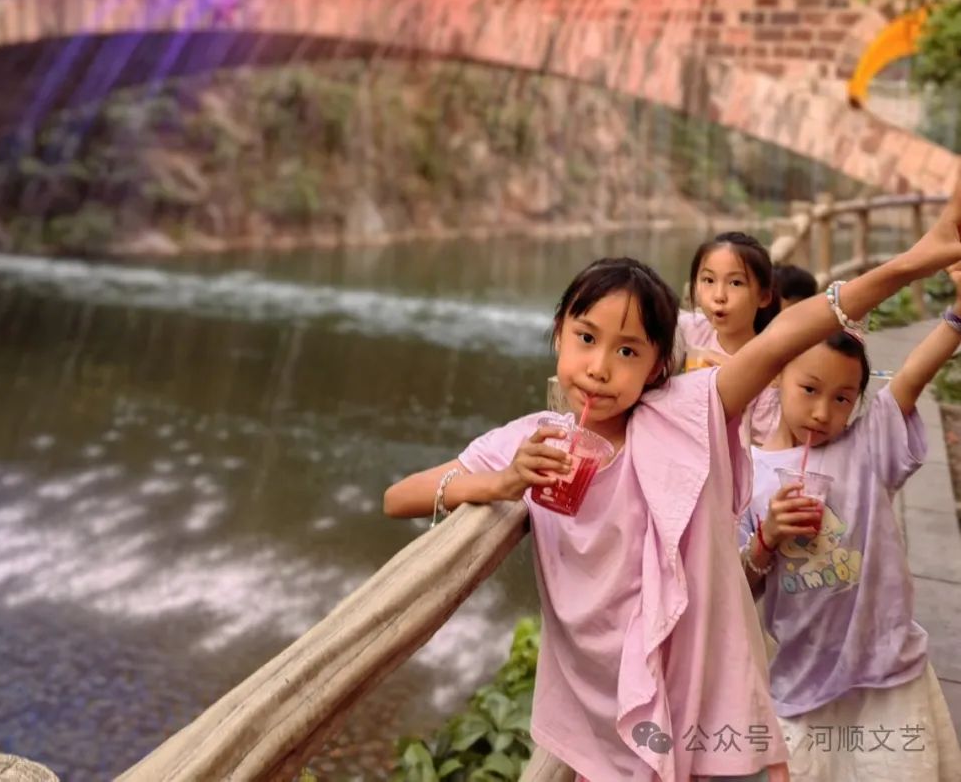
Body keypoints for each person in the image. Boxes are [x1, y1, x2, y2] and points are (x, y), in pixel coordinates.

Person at [383, 169, 961, 782]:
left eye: (629, 350)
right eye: (586, 338)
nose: (600, 367)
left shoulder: (686, 413)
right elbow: (400, 496)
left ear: (661, 364)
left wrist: (911, 264)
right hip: (599, 703)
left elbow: (787, 335)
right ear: (559, 335)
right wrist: (500, 484)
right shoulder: (530, 441)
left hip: (696, 693)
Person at [738, 260, 961, 781]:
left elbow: (911, 377)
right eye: (809, 389)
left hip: (884, 666)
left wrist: (955, 316)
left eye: (842, 399)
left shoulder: (867, 446)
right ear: (777, 375)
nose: (822, 412)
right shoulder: (748, 477)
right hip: (801, 675)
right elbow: (742, 581)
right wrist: (768, 537)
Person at [680, 232, 782, 444]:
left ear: (764, 296)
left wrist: (738, 387)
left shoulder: (768, 369)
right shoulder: (691, 330)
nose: (719, 295)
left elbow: (766, 442)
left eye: (735, 283)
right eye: (708, 280)